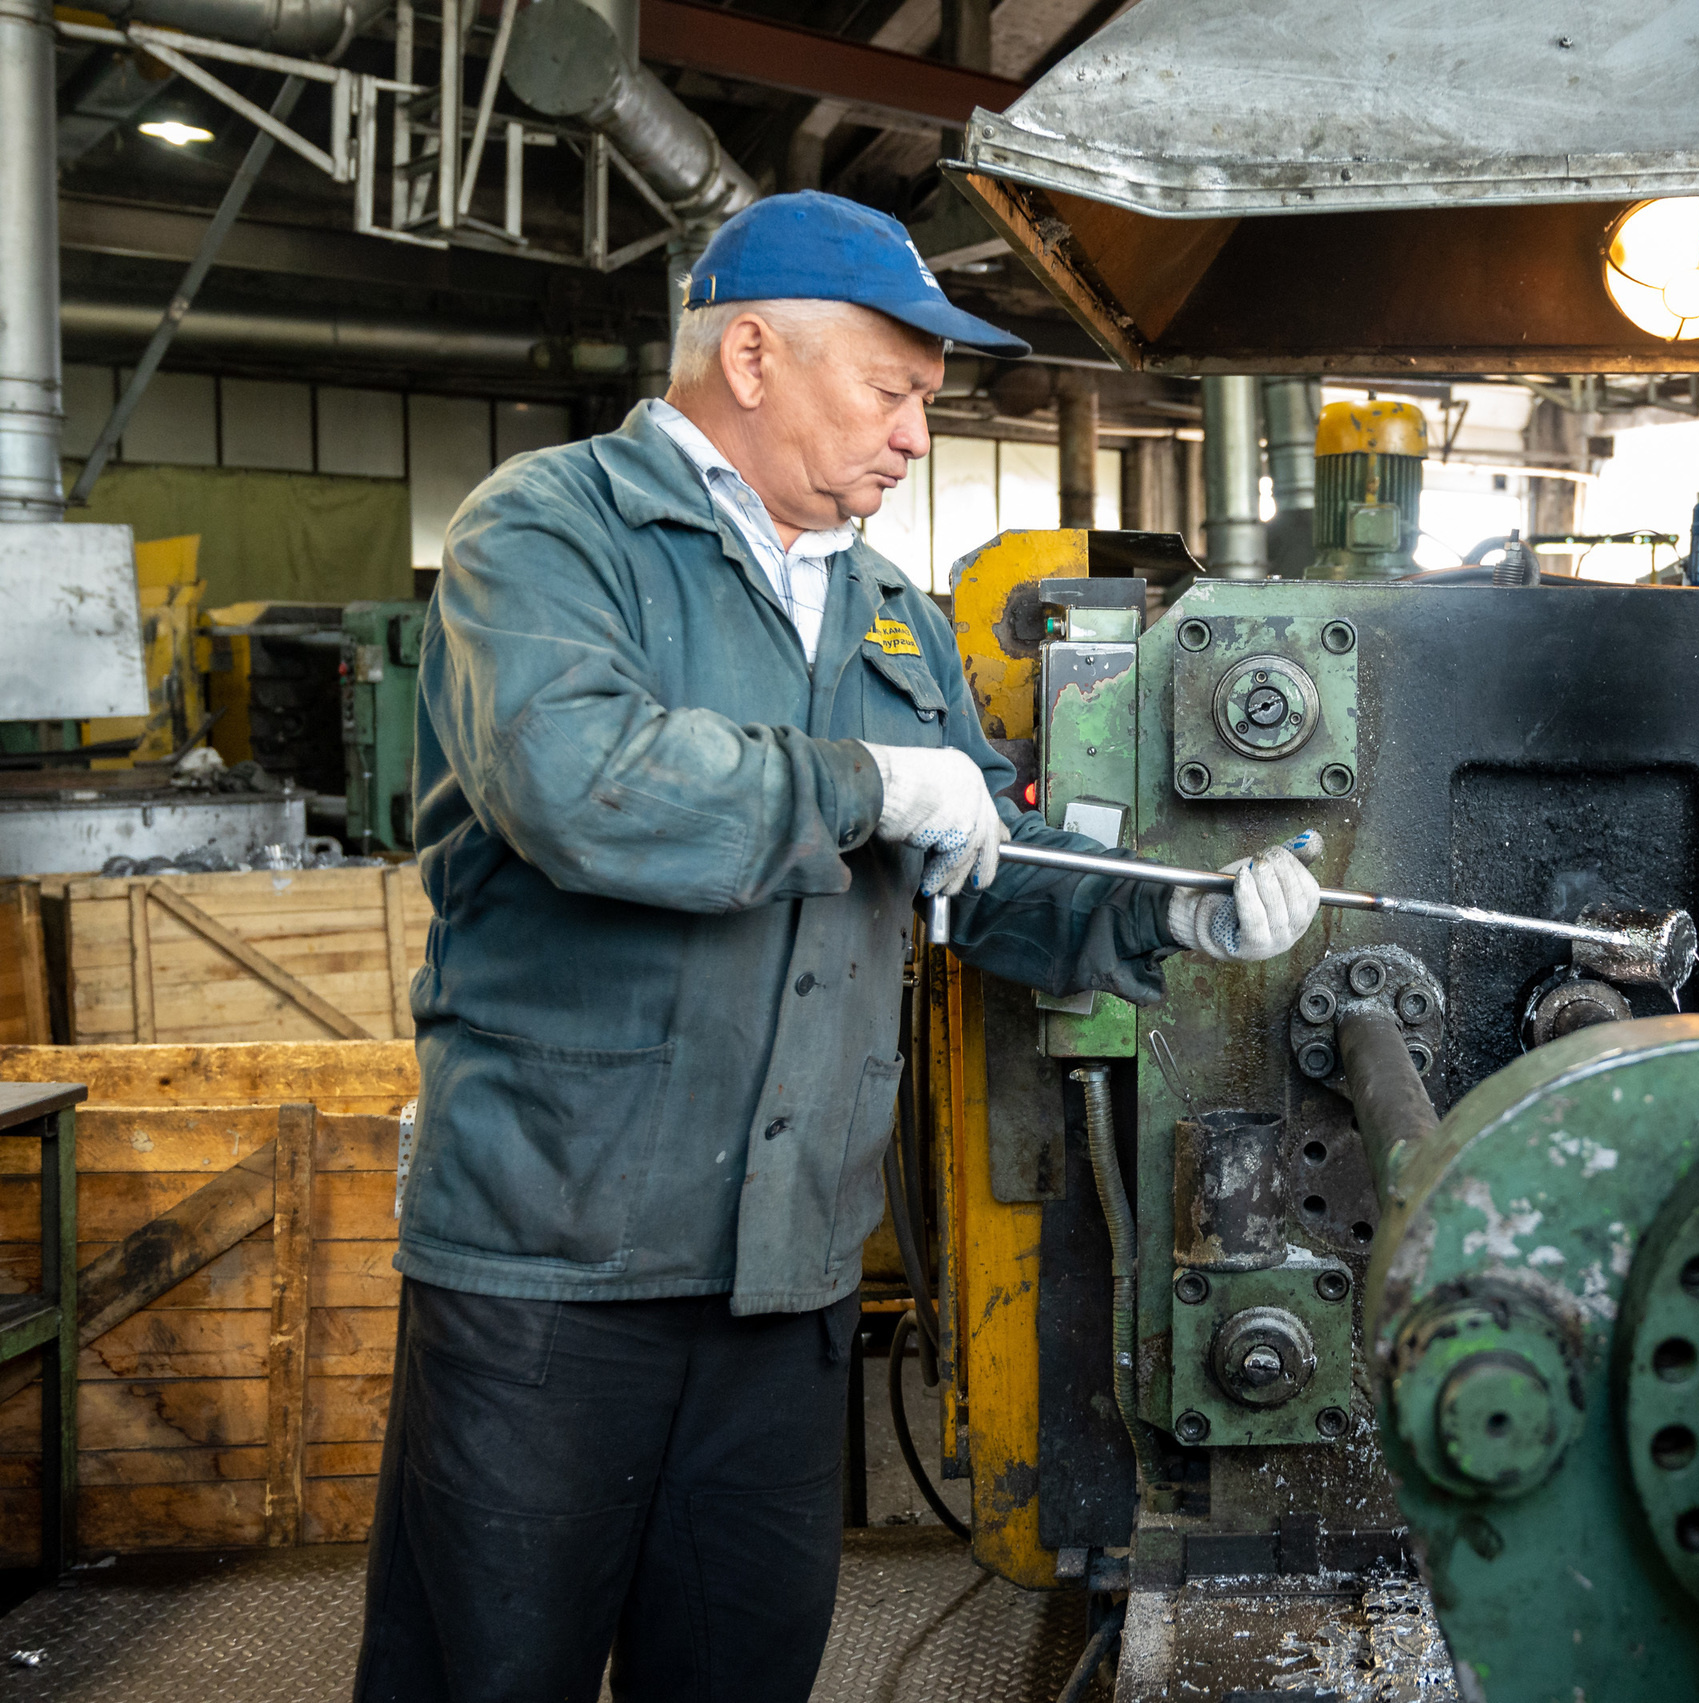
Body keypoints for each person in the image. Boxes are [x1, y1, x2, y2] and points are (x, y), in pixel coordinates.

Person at [353, 191, 1323, 1702]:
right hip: (555, 1266)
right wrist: (869, 783)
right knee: (489, 1676)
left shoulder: (884, 607)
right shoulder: (549, 531)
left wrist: (1166, 908)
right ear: (752, 356)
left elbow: (981, 865)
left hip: (787, 1273)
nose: (914, 437)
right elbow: (581, 788)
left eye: (925, 406)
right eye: (891, 393)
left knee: (739, 1672)